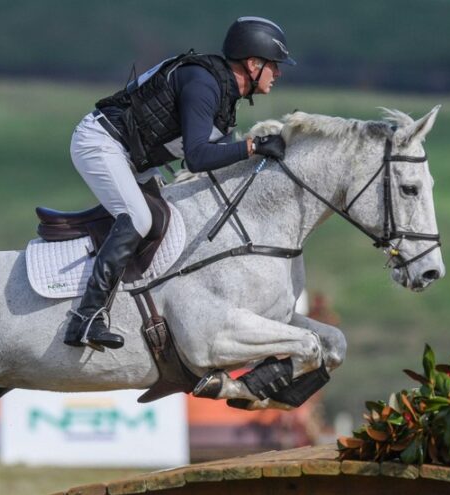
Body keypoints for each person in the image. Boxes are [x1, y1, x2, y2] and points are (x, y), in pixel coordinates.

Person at [63, 16, 296, 350]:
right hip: (101, 142)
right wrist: (253, 147)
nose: (279, 73)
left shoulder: (224, 95)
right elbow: (197, 158)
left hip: (133, 158)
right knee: (138, 218)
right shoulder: (205, 85)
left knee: (173, 216)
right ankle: (86, 318)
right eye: (274, 65)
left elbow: (210, 159)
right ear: (253, 64)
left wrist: (257, 151)